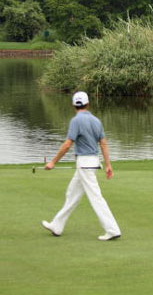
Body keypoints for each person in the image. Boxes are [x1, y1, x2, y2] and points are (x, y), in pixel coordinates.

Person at [41, 91, 121, 241]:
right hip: (91, 163)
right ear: (88, 104)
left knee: (96, 197)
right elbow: (103, 143)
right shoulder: (96, 120)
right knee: (72, 194)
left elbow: (67, 145)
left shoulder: (75, 121)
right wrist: (108, 165)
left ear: (73, 105)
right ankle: (57, 225)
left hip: (84, 164)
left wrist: (53, 162)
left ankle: (112, 229)